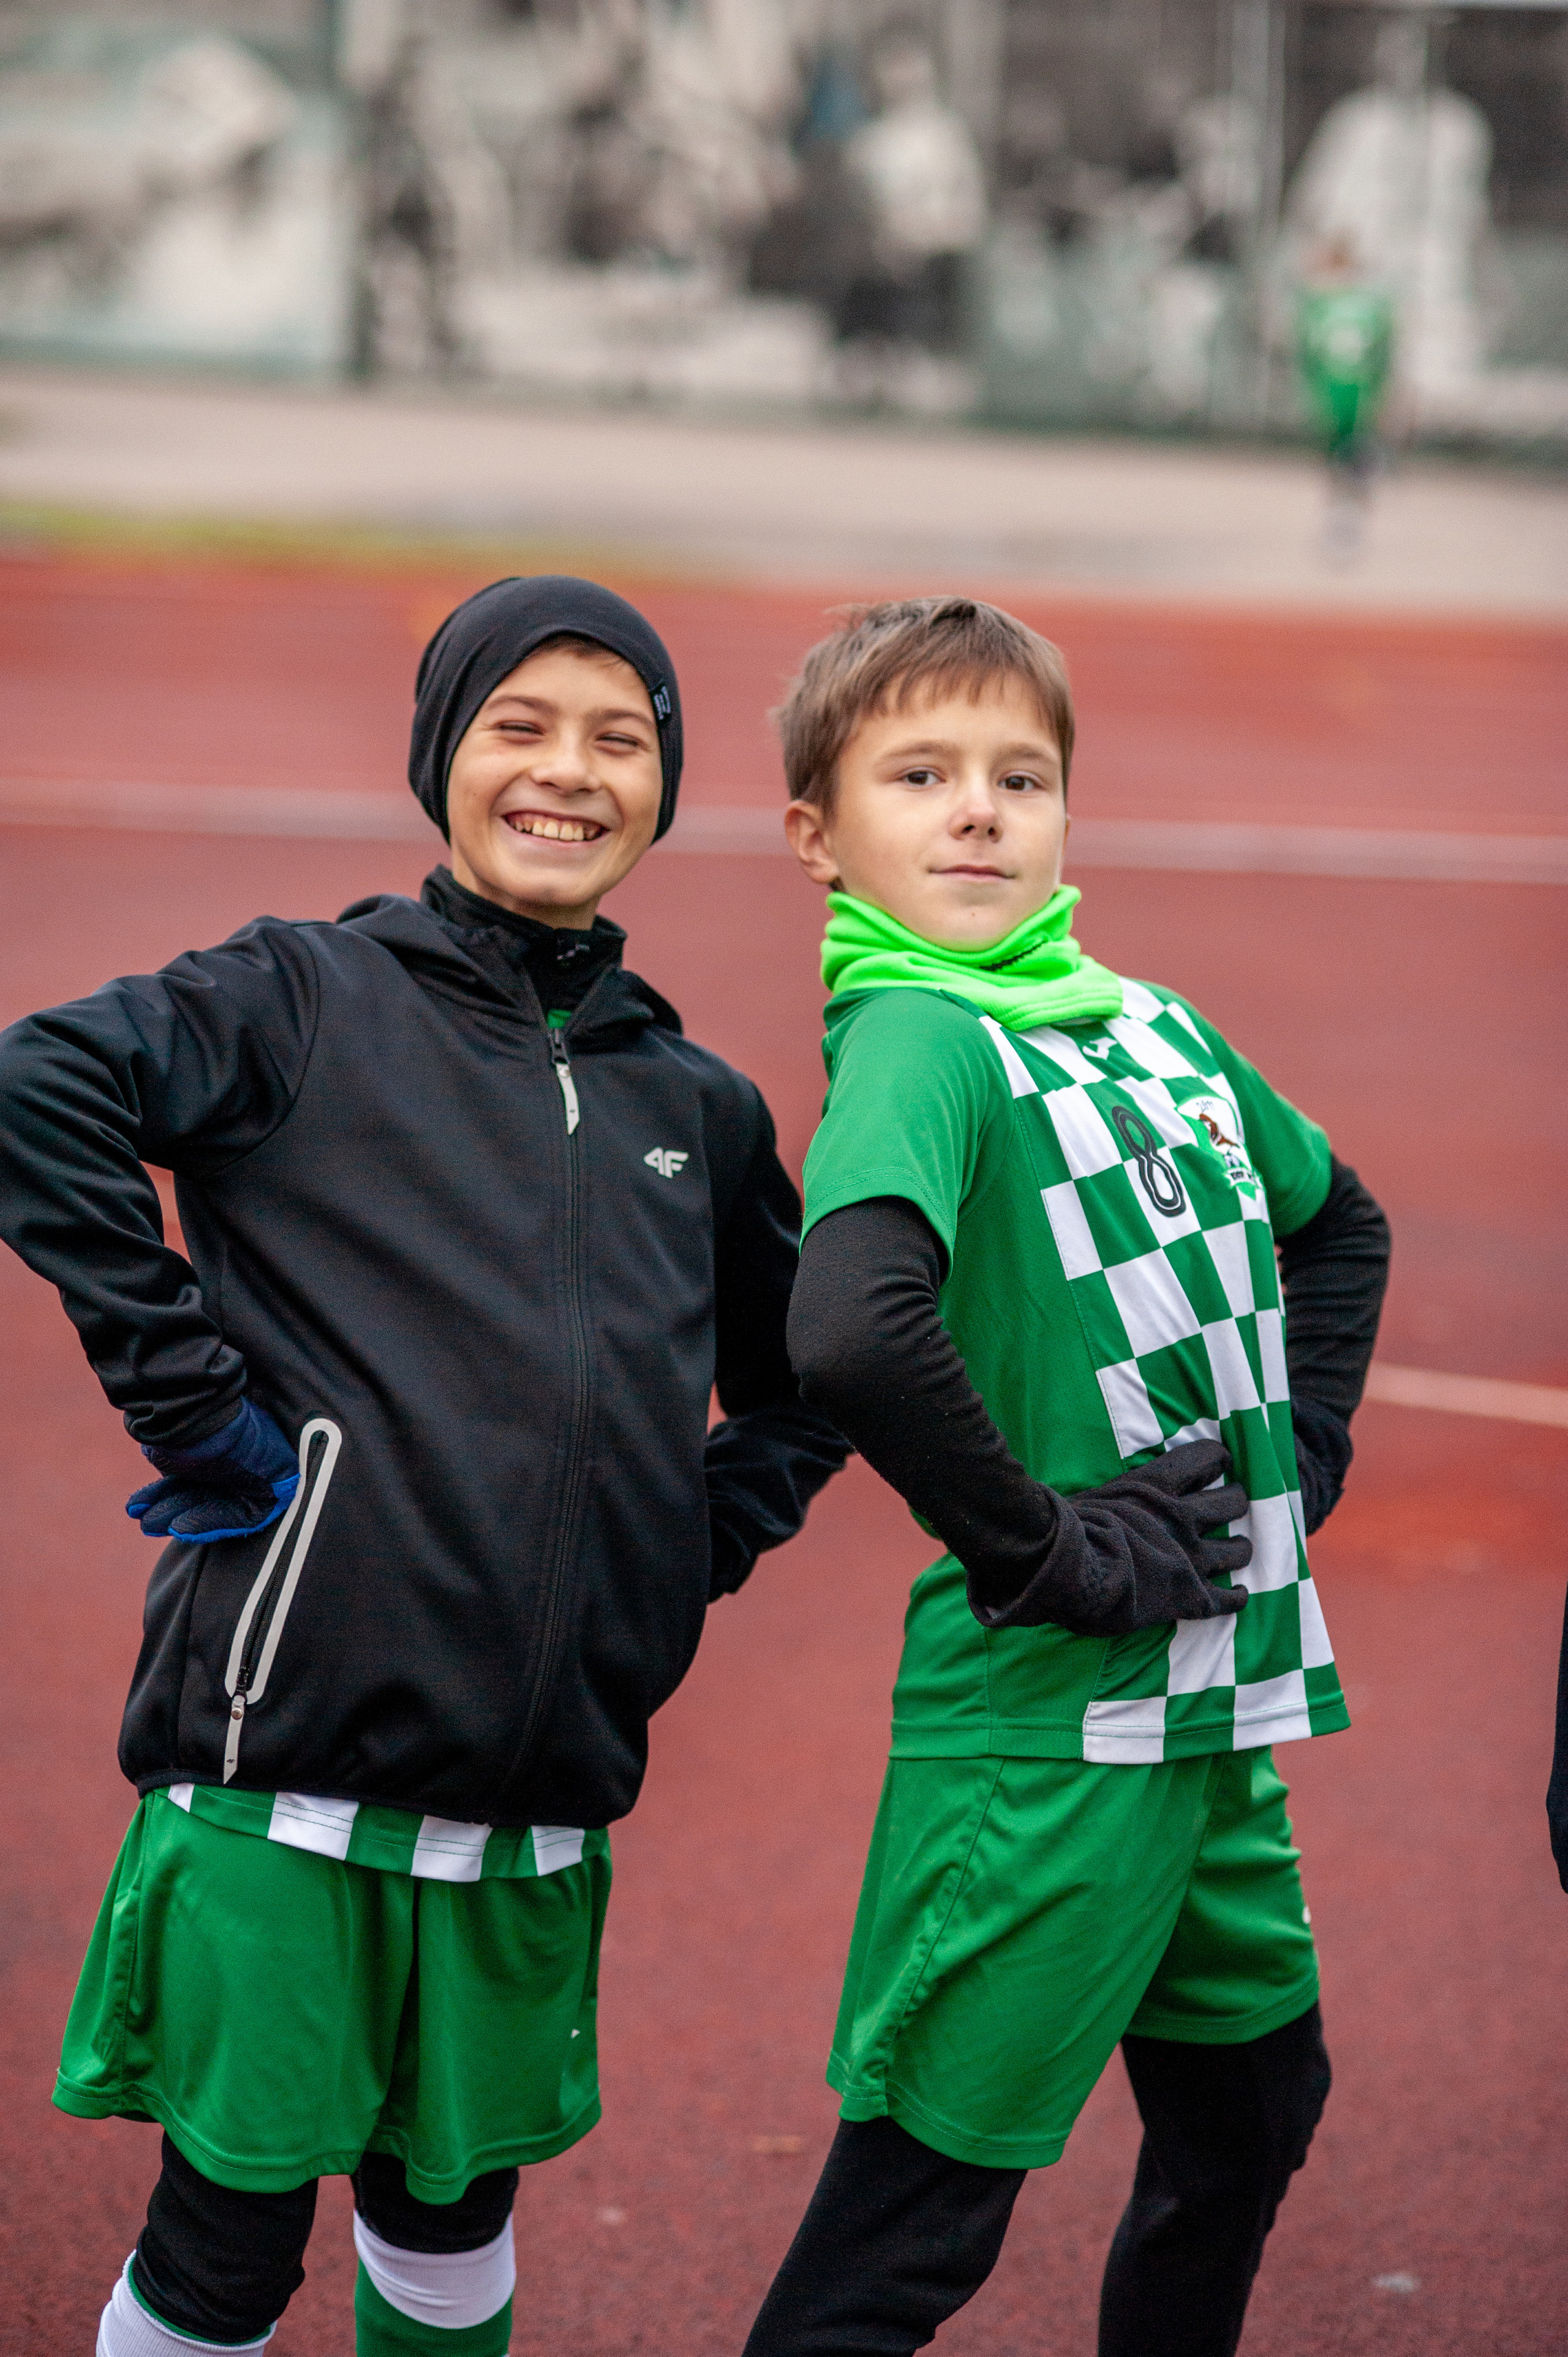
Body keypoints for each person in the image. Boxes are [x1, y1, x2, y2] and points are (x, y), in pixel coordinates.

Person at [0, 575, 846, 2357]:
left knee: (450, 2222)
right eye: (519, 726)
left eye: (620, 738)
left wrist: (689, 1538)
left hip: (530, 1811)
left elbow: (814, 1368)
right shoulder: (307, 994)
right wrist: (187, 1405)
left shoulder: (686, 1100)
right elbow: (38, 1087)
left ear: (665, 785)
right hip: (282, 1776)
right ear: (440, 760)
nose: (569, 771)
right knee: (228, 2244)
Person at [742, 596, 1390, 2357]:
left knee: (1251, 2113)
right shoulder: (926, 1029)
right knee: (908, 2233)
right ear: (822, 835)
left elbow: (1345, 1223)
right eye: (922, 772)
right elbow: (854, 1324)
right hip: (1043, 1735)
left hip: (1208, 1717)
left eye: (1020, 775)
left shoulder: (1151, 1019)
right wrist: (1036, 1544)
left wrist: (1300, 1455)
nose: (978, 809)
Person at [1296, 233, 1396, 555]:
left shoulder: (1326, 306)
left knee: (1348, 457)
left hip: (1348, 390)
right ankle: (1344, 517)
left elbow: (1311, 354)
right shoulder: (1354, 306)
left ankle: (1347, 518)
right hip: (1346, 391)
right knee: (1344, 457)